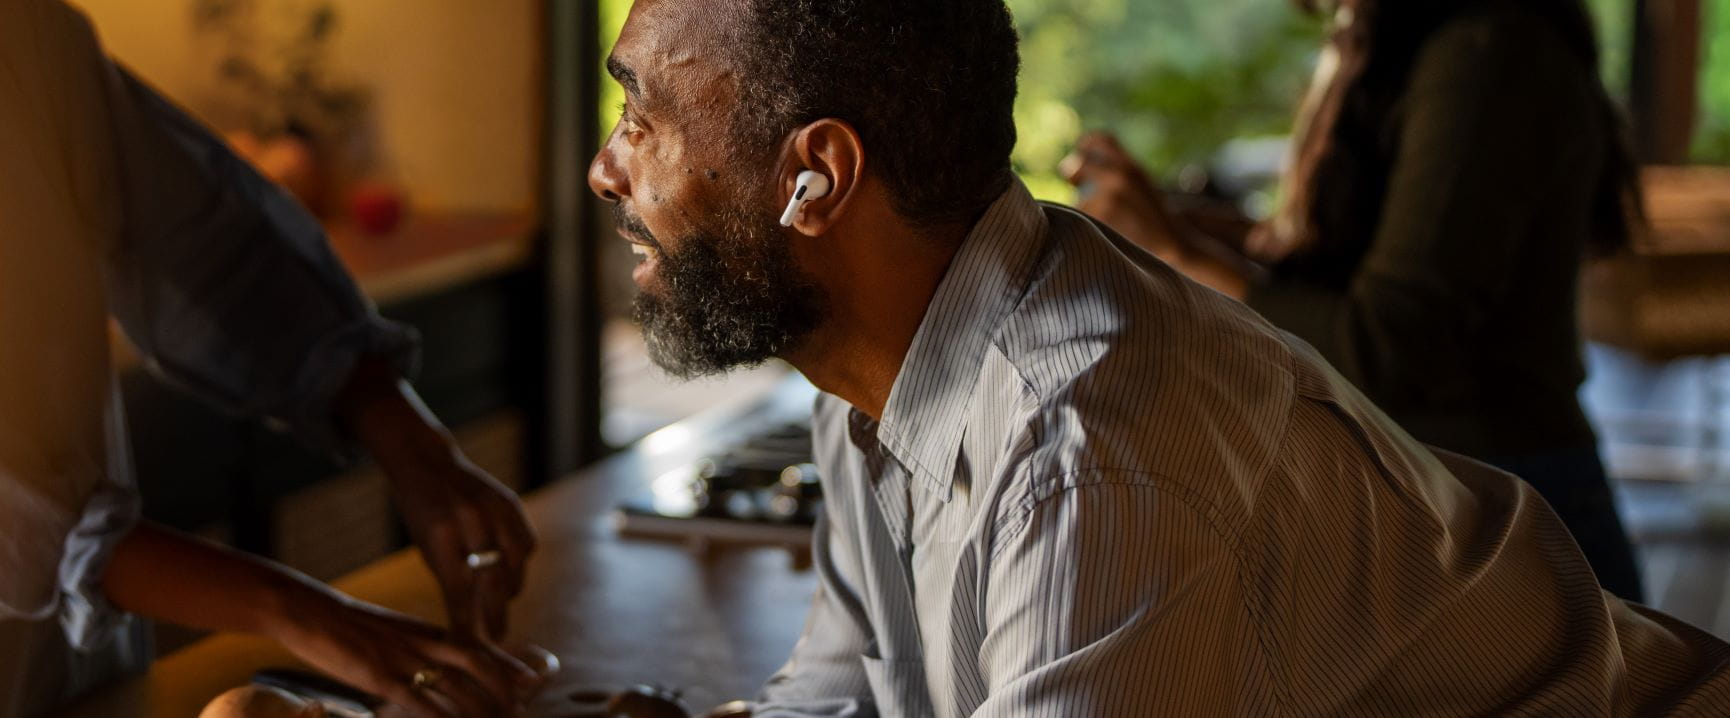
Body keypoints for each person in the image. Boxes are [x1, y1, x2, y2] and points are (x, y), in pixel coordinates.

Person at [589, 0, 1730, 715]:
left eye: (642, 119)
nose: (606, 169)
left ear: (817, 180)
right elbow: (842, 692)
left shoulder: (1088, 450)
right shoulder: (869, 377)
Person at [0, 1, 540, 716]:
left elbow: (208, 243)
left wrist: (400, 430)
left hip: (87, 677)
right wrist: (298, 611)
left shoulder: (27, 34)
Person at [1062, 0, 1648, 601]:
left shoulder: (1488, 52)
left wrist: (1177, 250)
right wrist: (1184, 232)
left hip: (1500, 519)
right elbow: (1365, 263)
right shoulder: (1403, 35)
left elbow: (1385, 341)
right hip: (1443, 497)